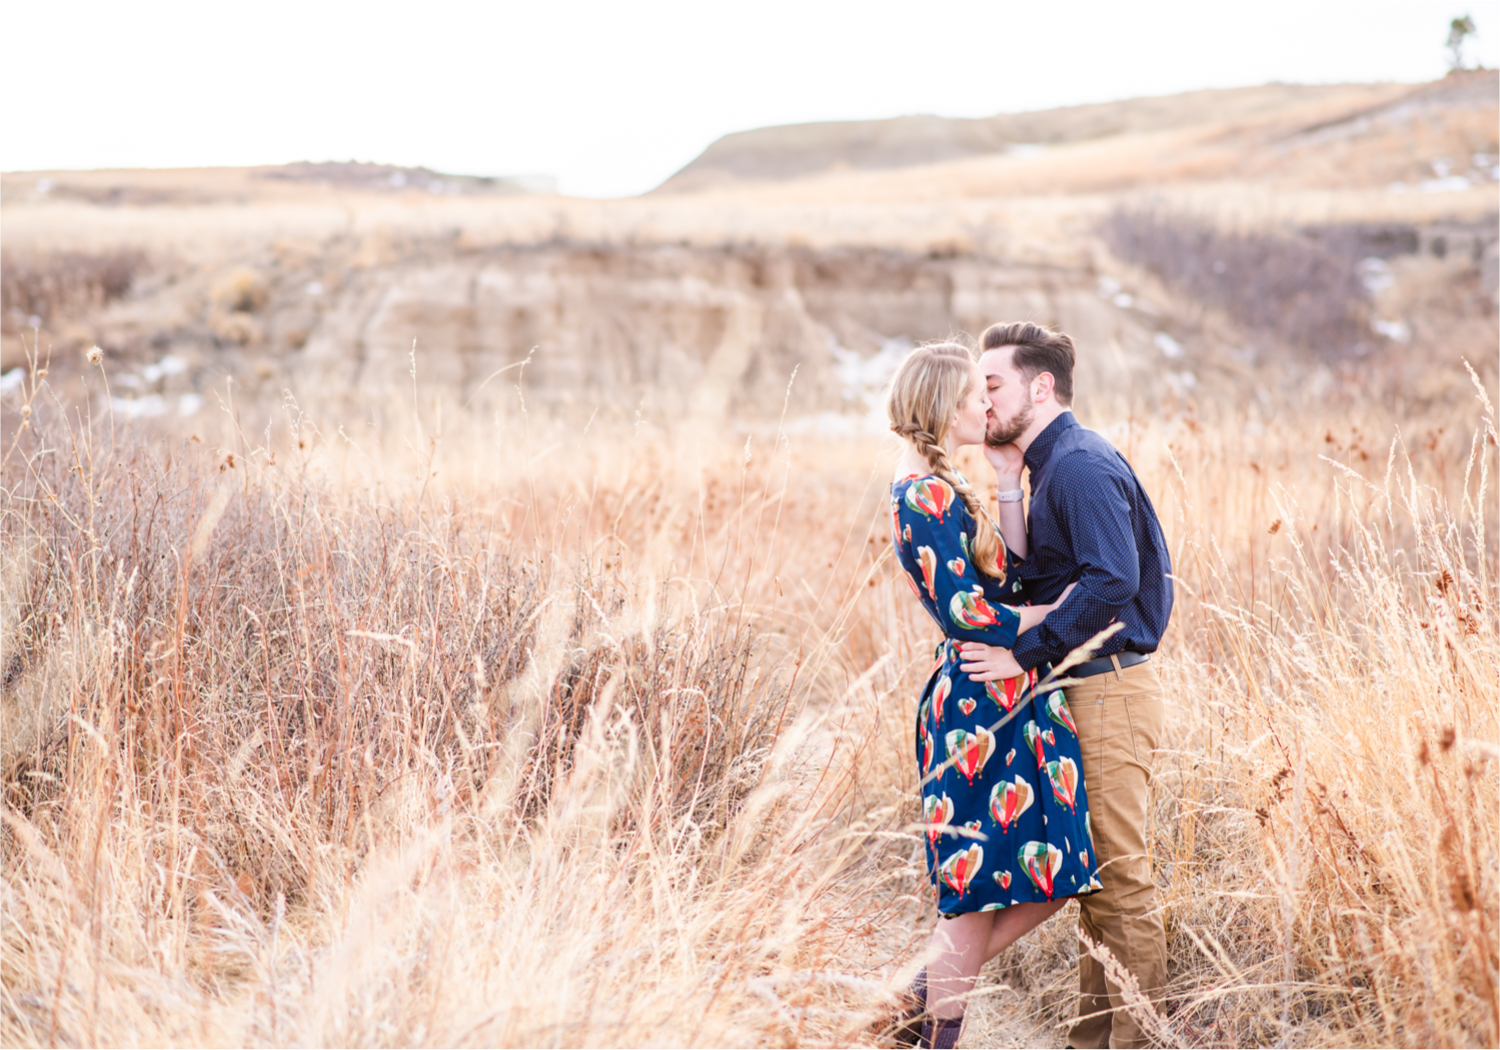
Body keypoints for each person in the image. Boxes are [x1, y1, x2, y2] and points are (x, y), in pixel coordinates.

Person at [957, 322, 1174, 1050]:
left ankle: (1139, 1041)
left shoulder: (1079, 466)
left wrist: (1028, 653)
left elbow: (1115, 581)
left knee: (1120, 880)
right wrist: (1006, 483)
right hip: (1083, 688)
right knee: (1093, 883)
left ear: (1040, 386)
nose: (979, 401)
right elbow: (1033, 582)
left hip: (1109, 686)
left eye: (992, 386)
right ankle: (1090, 1042)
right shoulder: (1047, 469)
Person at [883, 341, 1101, 1049]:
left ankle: (905, 1005)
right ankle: (931, 1032)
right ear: (943, 405)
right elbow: (966, 613)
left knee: (1058, 874)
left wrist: (1008, 478)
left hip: (1014, 694)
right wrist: (1057, 616)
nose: (987, 403)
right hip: (981, 702)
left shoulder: (947, 486)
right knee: (976, 894)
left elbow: (1009, 573)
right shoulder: (923, 493)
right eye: (975, 393)